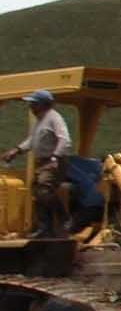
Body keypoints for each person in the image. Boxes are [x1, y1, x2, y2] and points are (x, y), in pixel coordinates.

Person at [3, 90, 73, 238]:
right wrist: (16, 150)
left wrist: (55, 158)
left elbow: (64, 139)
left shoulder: (54, 118)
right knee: (36, 191)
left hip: (54, 161)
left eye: (33, 103)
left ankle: (64, 219)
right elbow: (33, 140)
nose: (30, 106)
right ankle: (44, 228)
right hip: (43, 162)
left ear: (43, 104)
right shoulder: (40, 120)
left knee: (43, 189)